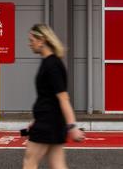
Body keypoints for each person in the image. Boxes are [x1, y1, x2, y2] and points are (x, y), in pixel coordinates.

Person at [22, 23, 85, 169]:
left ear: (42, 40)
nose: (29, 44)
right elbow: (47, 96)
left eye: (31, 41)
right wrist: (36, 120)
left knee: (29, 161)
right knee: (57, 164)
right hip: (51, 121)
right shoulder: (50, 62)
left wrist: (72, 126)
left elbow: (63, 98)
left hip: (48, 122)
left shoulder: (52, 65)